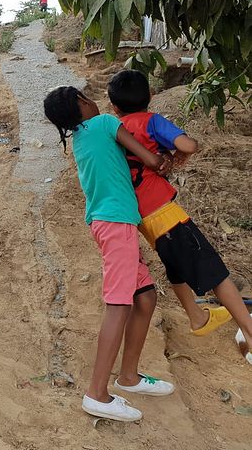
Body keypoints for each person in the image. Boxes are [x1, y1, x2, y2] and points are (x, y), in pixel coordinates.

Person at [43, 86, 175, 422]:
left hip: (115, 224)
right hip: (116, 224)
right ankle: (97, 394)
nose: (92, 98)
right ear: (82, 103)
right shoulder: (103, 123)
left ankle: (128, 377)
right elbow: (148, 159)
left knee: (145, 299)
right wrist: (164, 159)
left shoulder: (80, 138)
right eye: (85, 95)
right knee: (119, 306)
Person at [108, 69, 252, 360]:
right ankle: (250, 331)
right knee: (215, 271)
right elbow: (189, 145)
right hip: (163, 212)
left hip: (141, 217)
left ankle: (196, 315)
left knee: (174, 264)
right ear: (150, 97)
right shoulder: (150, 122)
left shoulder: (115, 129)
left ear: (114, 106)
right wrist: (181, 152)